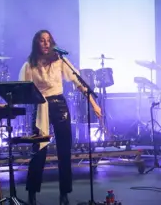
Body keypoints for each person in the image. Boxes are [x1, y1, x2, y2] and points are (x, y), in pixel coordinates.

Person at [19, 30, 102, 205]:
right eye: (42, 40)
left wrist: (94, 104)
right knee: (38, 152)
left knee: (64, 151)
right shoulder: (30, 64)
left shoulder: (59, 60)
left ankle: (64, 193)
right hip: (40, 105)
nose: (46, 43)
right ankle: (32, 193)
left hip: (59, 105)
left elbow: (78, 82)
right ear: (37, 43)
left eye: (48, 40)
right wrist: (10, 103)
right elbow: (21, 88)